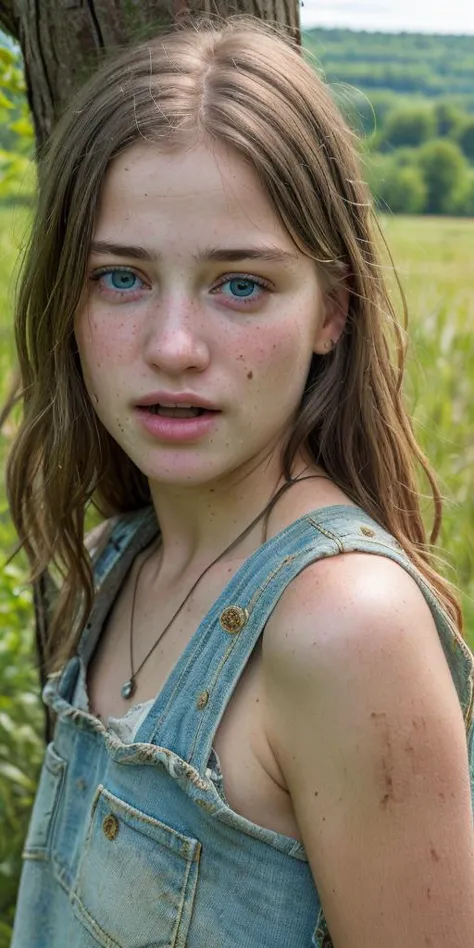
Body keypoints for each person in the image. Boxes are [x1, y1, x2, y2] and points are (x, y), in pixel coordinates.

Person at [7, 14, 474, 948]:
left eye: (242, 286)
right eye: (121, 278)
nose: (174, 348)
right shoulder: (118, 557)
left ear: (331, 312)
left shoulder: (345, 628)